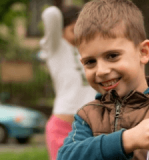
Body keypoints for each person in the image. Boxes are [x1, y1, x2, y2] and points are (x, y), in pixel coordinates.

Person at [57, 0, 149, 159]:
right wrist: (125, 140)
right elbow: (65, 156)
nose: (101, 71)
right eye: (90, 62)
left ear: (143, 52)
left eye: (112, 56)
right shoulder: (88, 116)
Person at [39, 5, 96, 160]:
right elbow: (51, 14)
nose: (79, 33)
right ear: (62, 28)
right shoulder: (55, 47)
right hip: (62, 127)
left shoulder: (91, 51)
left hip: (92, 128)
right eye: (74, 28)